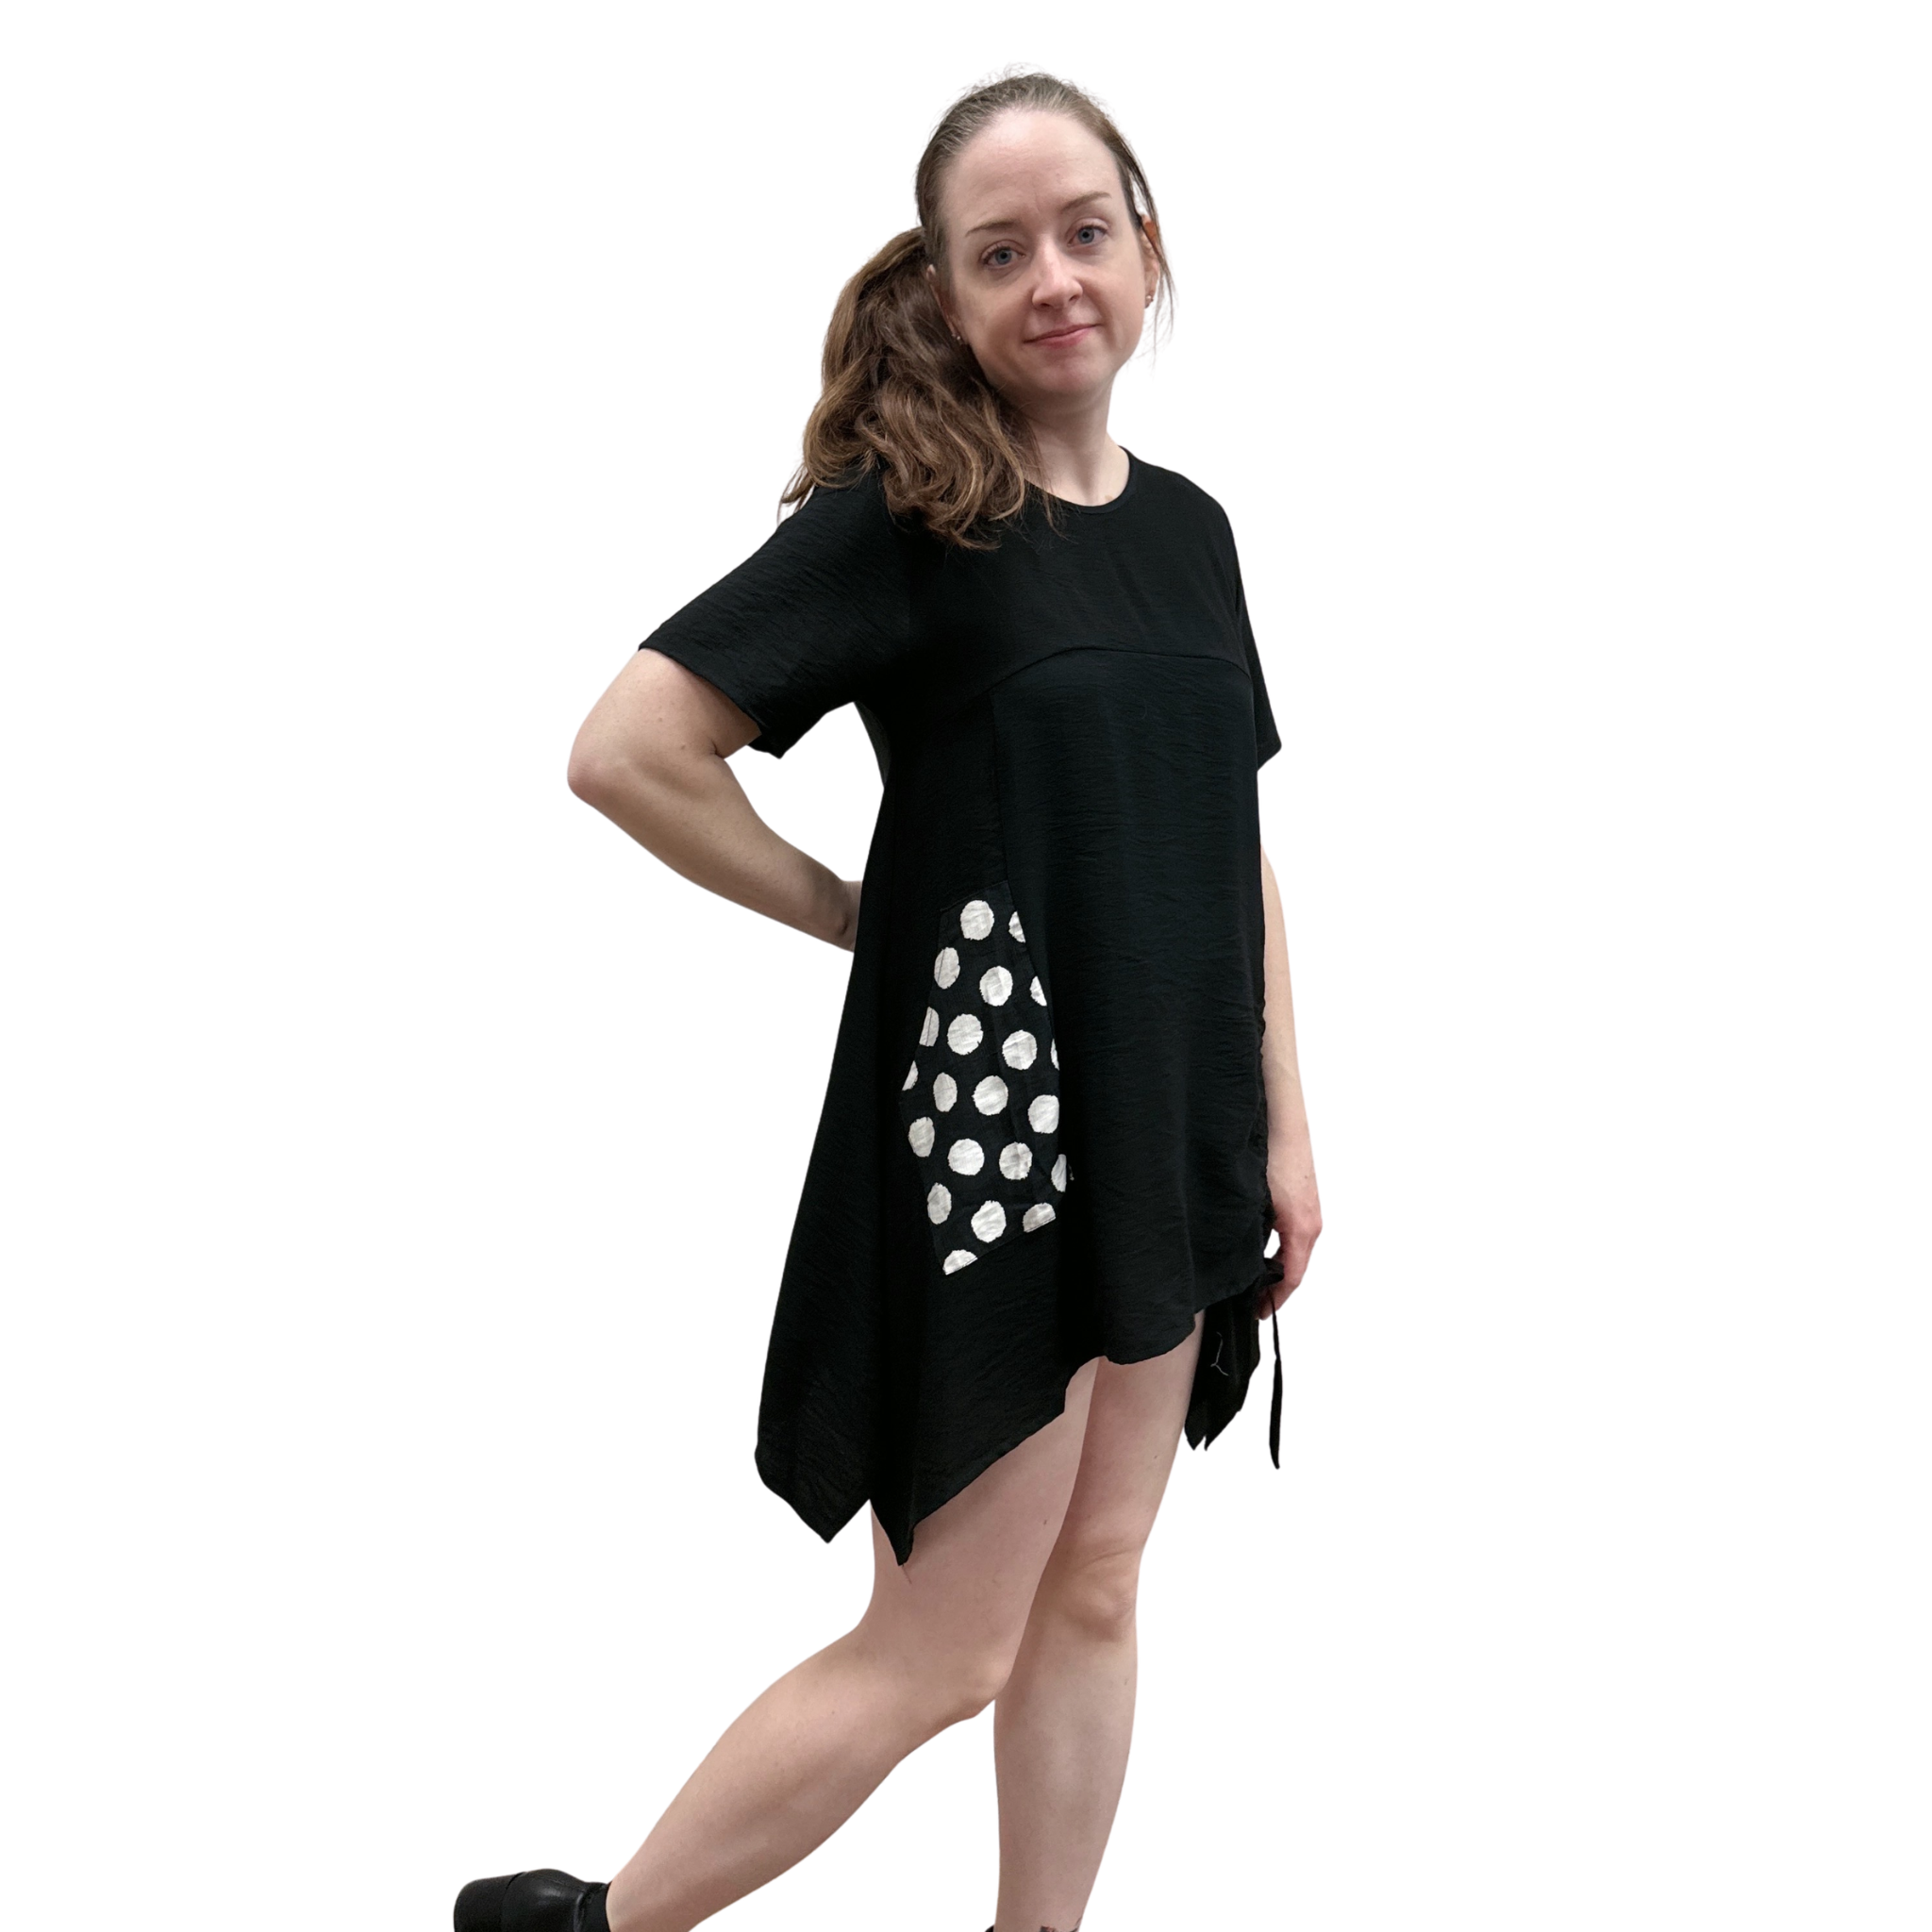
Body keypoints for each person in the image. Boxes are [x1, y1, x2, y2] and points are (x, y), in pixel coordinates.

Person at [456, 68, 1322, 1932]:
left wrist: (1287, 1131)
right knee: (942, 1648)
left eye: (1084, 232)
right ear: (943, 287)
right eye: (999, 251)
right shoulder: (908, 522)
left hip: (1174, 1127)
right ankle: (595, 1928)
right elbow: (628, 750)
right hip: (1002, 1145)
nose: (1053, 277)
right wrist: (858, 915)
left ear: (1148, 249)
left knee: (1099, 1589)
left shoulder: (1195, 532)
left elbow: (1229, 836)